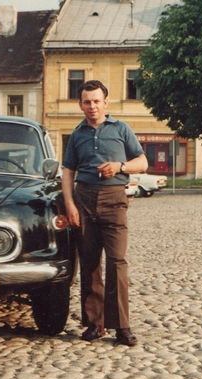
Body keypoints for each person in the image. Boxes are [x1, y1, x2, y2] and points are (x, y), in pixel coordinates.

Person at [61, 80, 148, 347]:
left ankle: (122, 326)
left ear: (105, 102)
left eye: (96, 101)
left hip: (114, 200)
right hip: (84, 199)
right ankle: (94, 324)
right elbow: (67, 173)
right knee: (89, 263)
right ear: (80, 105)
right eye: (87, 102)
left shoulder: (121, 129)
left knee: (117, 262)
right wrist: (70, 205)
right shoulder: (77, 134)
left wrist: (120, 166)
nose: (92, 106)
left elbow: (142, 162)